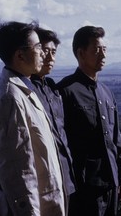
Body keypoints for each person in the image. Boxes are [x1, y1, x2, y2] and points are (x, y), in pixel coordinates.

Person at [0, 21, 65, 216]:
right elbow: (18, 170)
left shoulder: (23, 88)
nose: (43, 53)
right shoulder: (10, 97)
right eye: (38, 47)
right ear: (20, 55)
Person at [57, 25, 121, 216]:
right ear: (80, 53)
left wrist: (120, 178)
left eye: (104, 50)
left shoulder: (106, 92)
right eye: (97, 50)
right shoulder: (65, 91)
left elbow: (115, 139)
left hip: (111, 183)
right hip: (84, 186)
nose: (103, 55)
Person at [31, 28, 76, 202]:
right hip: (42, 185)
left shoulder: (52, 88)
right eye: (45, 51)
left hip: (66, 178)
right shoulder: (21, 91)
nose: (50, 58)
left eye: (53, 52)